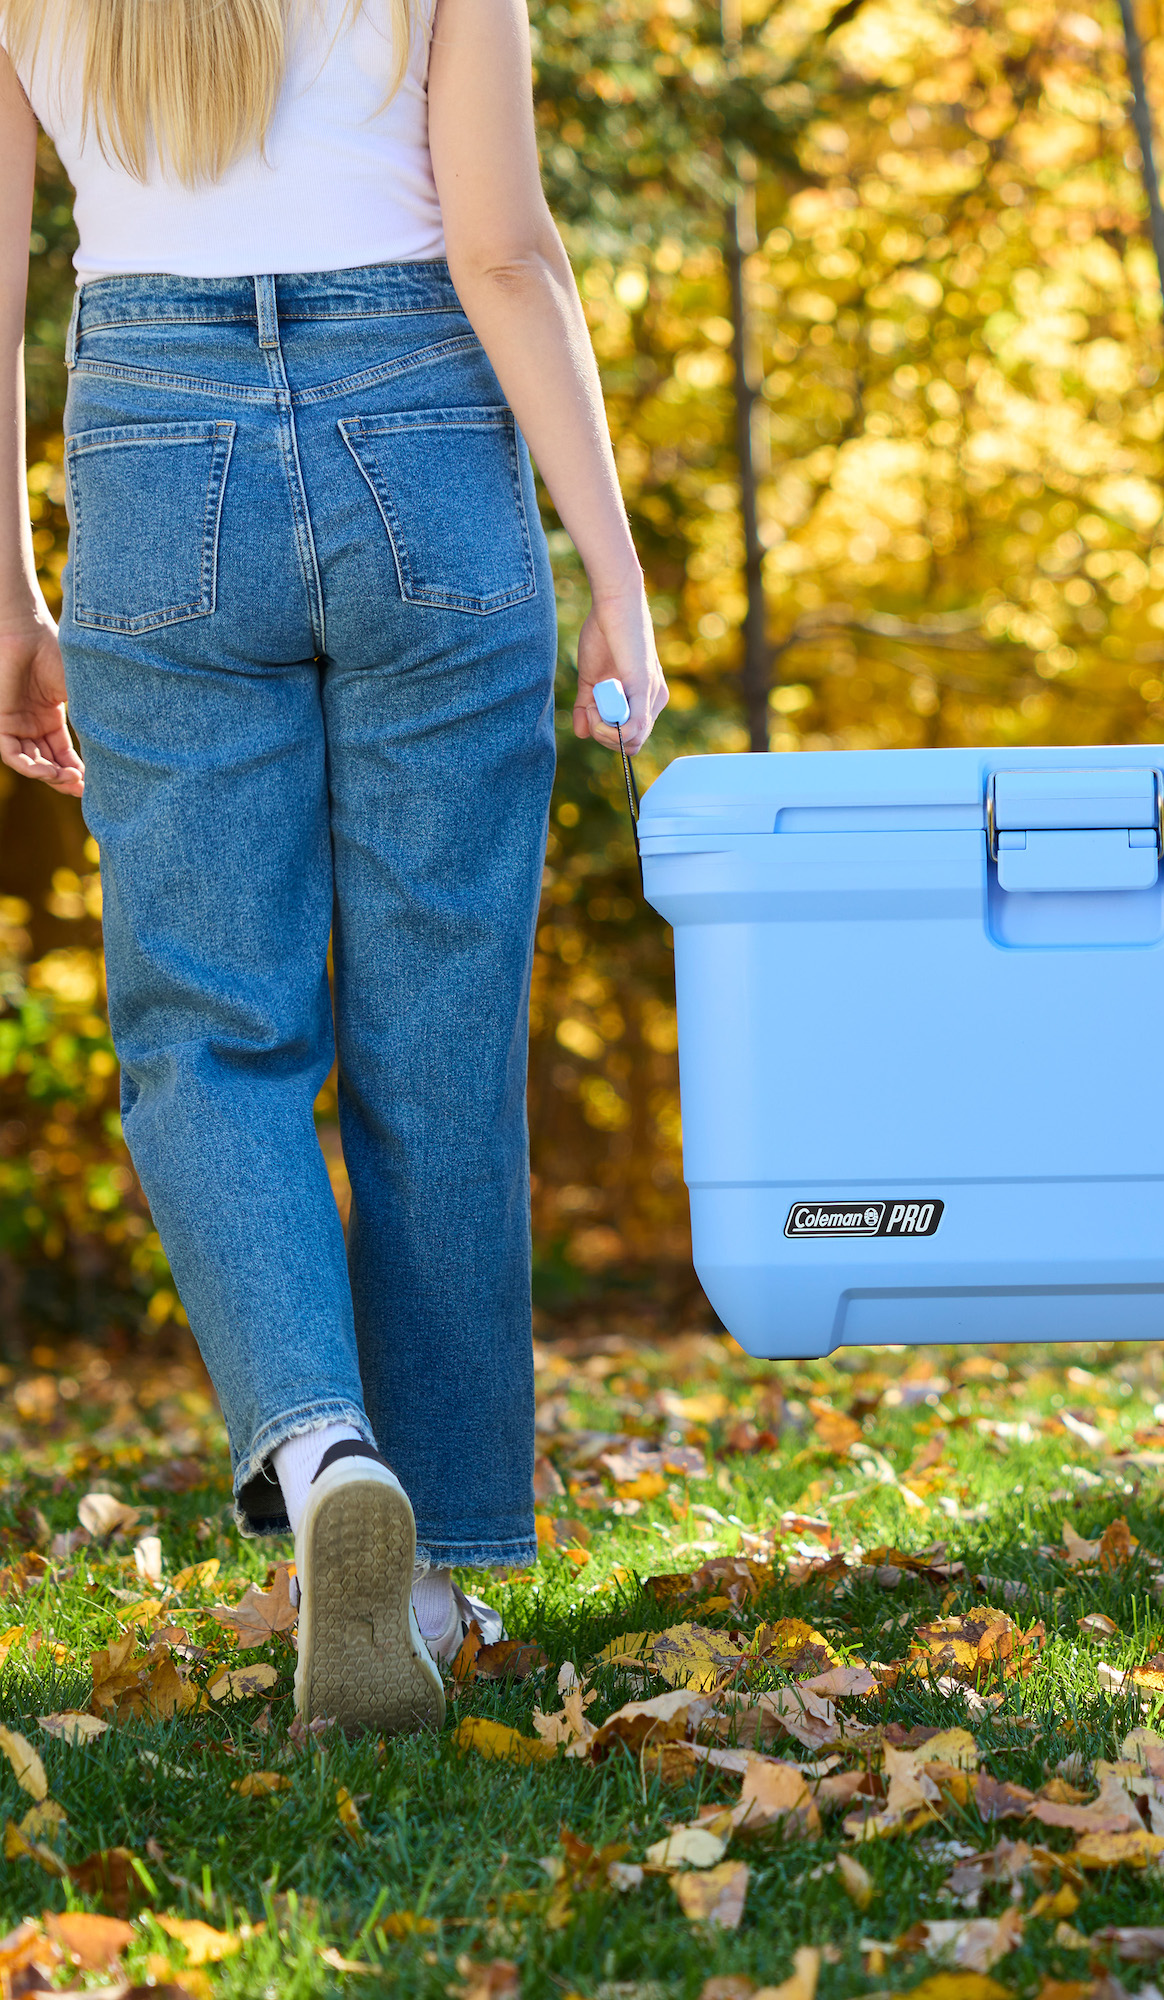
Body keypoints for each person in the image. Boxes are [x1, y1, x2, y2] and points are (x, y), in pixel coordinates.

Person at [0, 0, 667, 1731]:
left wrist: (7, 589)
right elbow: (507, 252)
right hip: (425, 428)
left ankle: (322, 1458)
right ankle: (425, 1577)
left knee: (204, 1030)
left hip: (149, 447)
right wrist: (615, 569)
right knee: (438, 1037)